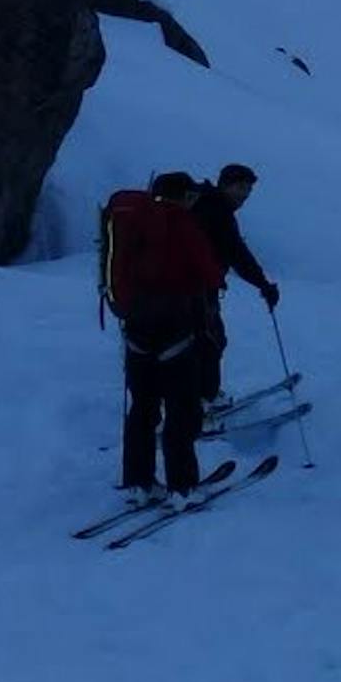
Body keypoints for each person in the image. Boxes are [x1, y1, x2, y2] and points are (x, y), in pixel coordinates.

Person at [102, 171, 223, 504]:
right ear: (183, 196)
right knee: (181, 409)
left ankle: (138, 482)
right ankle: (182, 487)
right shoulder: (183, 226)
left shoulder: (134, 222)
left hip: (136, 327)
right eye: (191, 194)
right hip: (176, 329)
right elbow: (210, 271)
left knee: (143, 407)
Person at [190, 161, 279, 403]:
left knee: (194, 342)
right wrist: (263, 284)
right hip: (195, 289)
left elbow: (235, 252)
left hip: (186, 286)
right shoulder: (216, 211)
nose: (245, 195)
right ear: (225, 185)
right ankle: (204, 400)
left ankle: (190, 397)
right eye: (240, 188)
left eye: (248, 190)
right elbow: (237, 253)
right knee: (210, 341)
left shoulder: (204, 203)